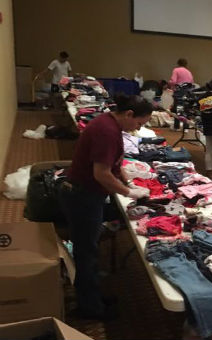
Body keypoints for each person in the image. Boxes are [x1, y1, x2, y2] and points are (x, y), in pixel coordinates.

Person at [58, 95, 153, 320]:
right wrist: (128, 192)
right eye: (139, 123)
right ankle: (90, 309)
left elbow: (114, 164)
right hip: (83, 196)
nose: (139, 129)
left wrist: (129, 182)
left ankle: (93, 297)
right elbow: (101, 174)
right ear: (129, 114)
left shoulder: (108, 123)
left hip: (87, 193)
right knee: (86, 252)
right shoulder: (107, 132)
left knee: (89, 249)